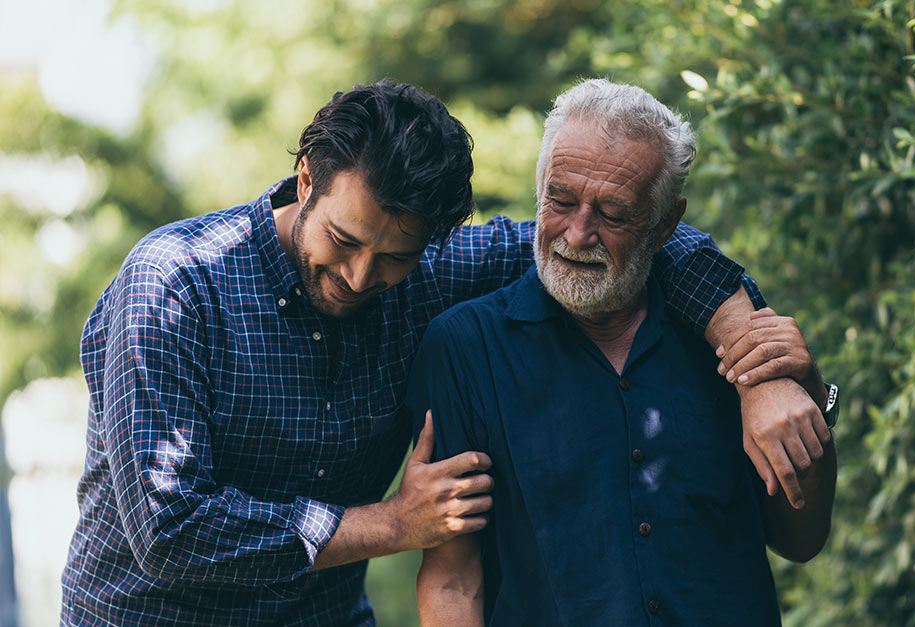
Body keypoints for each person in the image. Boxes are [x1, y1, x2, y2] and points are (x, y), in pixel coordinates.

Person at [61, 79, 828, 625]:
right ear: (306, 181)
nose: (361, 278)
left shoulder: (430, 272)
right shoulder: (174, 286)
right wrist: (394, 523)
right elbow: (169, 528)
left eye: (393, 257)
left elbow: (646, 242)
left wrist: (754, 363)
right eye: (344, 239)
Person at [410, 79, 838, 627]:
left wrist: (805, 392)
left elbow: (800, 540)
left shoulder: (729, 330)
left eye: (613, 215)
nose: (579, 234)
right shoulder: (465, 347)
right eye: (560, 202)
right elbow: (452, 576)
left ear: (665, 225)